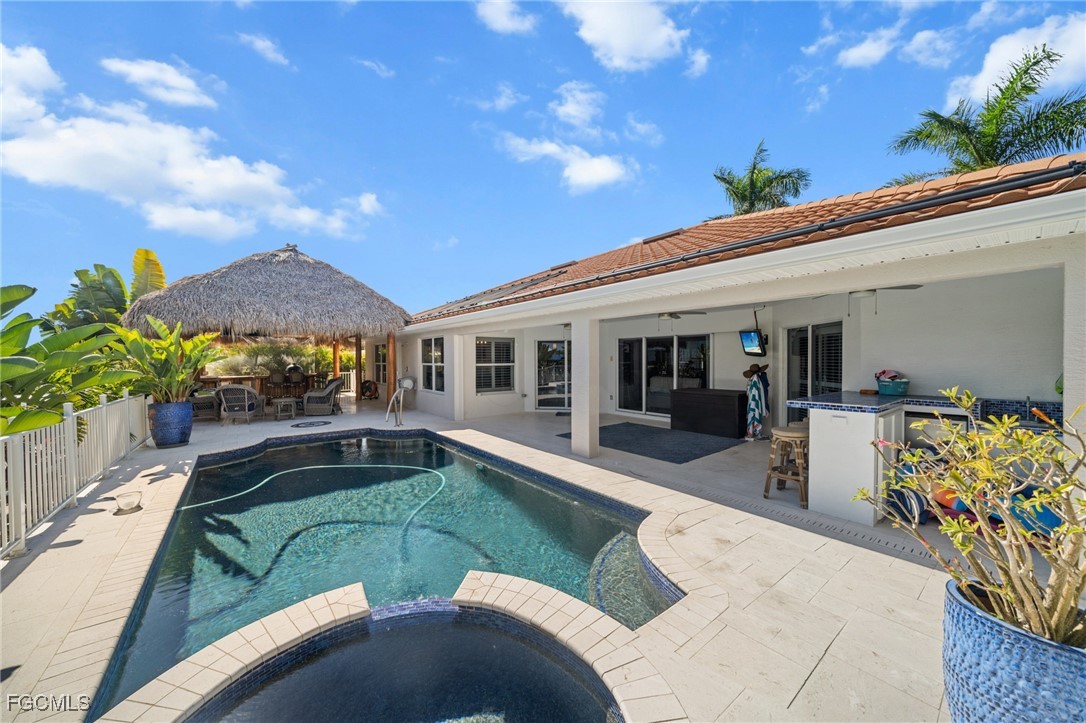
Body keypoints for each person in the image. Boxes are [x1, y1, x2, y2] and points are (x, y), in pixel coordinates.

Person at [743, 363, 770, 440]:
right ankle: (757, 432)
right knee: (757, 412)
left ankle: (753, 432)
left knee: (753, 413)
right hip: (757, 400)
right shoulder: (761, 377)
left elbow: (748, 392)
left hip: (752, 400)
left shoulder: (752, 379)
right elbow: (766, 386)